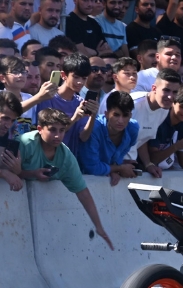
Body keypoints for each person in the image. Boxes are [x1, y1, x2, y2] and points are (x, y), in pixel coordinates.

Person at [16, 108, 114, 250]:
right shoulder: (24, 143)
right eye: (52, 130)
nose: (58, 135)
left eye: (62, 130)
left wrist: (99, 227)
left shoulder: (66, 156)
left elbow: (83, 193)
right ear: (40, 129)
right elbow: (3, 171)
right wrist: (32, 173)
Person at [78, 90, 139, 186]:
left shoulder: (133, 128)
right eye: (116, 115)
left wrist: (114, 166)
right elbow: (91, 167)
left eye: (125, 115)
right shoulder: (94, 129)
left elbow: (126, 148)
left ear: (130, 116)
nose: (121, 121)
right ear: (106, 114)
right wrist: (119, 168)